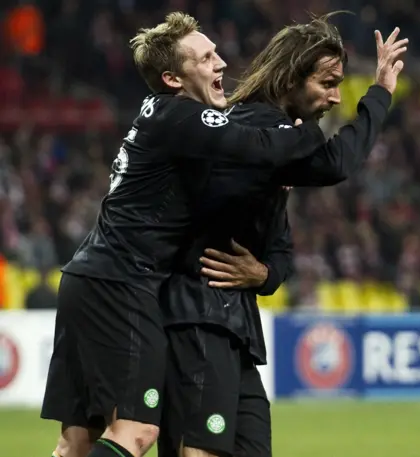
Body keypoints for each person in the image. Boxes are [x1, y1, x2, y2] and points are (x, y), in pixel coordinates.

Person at [41, 12, 397, 457]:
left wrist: (265, 274)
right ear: (172, 77)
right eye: (207, 57)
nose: (222, 63)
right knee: (137, 433)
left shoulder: (189, 121)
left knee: (76, 441)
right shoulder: (199, 122)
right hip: (139, 289)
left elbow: (277, 238)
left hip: (100, 278)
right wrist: (366, 102)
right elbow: (307, 158)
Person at [157, 14, 407, 457]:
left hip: (234, 323)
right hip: (197, 313)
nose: (334, 97)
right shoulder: (249, 129)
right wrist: (380, 94)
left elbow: (281, 250)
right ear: (292, 76)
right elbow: (337, 163)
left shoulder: (279, 146)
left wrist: (265, 274)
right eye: (327, 83)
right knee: (198, 451)